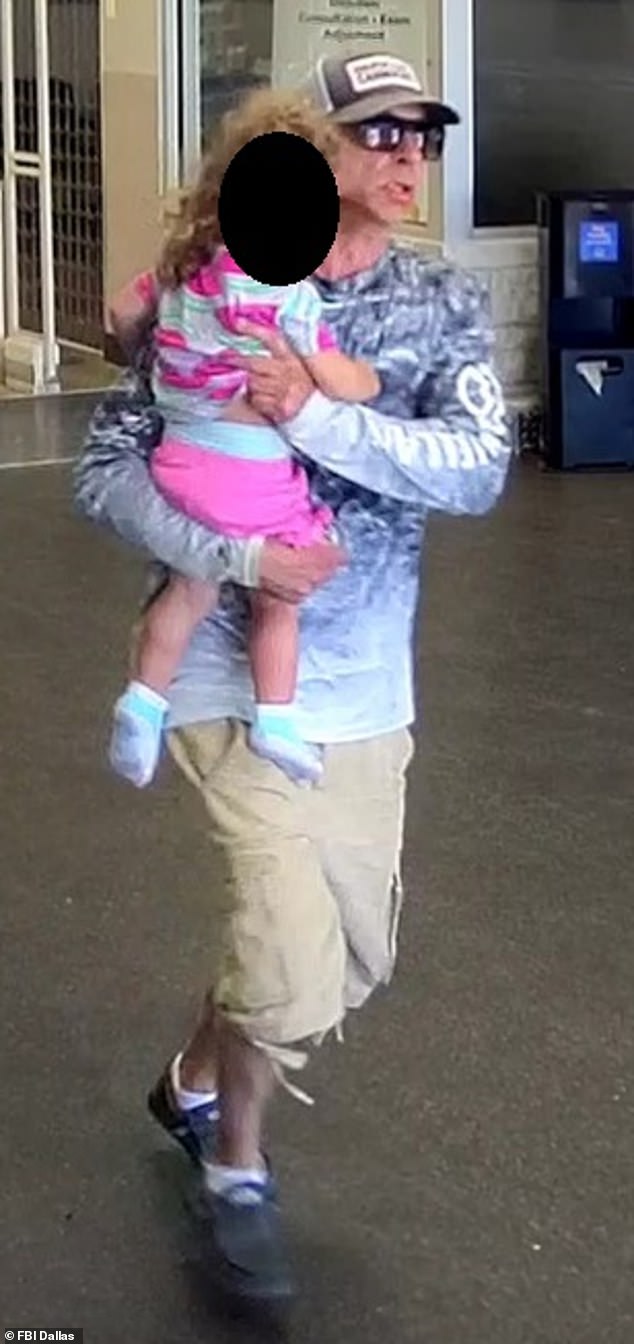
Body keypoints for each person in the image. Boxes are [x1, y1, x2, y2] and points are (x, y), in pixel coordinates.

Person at [75, 51, 512, 1302]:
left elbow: (475, 470)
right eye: (375, 132)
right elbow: (107, 476)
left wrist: (313, 419)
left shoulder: (433, 305)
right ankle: (238, 1167)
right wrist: (241, 552)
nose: (406, 155)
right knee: (283, 969)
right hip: (223, 671)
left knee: (348, 963)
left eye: (421, 133)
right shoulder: (189, 292)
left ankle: (193, 1082)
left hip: (366, 676)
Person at [107, 92, 379, 792]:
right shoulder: (286, 295)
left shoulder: (184, 272)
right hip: (251, 474)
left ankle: (143, 700)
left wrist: (163, 354)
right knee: (278, 599)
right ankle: (278, 717)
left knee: (188, 593)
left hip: (181, 458)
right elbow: (338, 381)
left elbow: (122, 310)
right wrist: (358, 379)